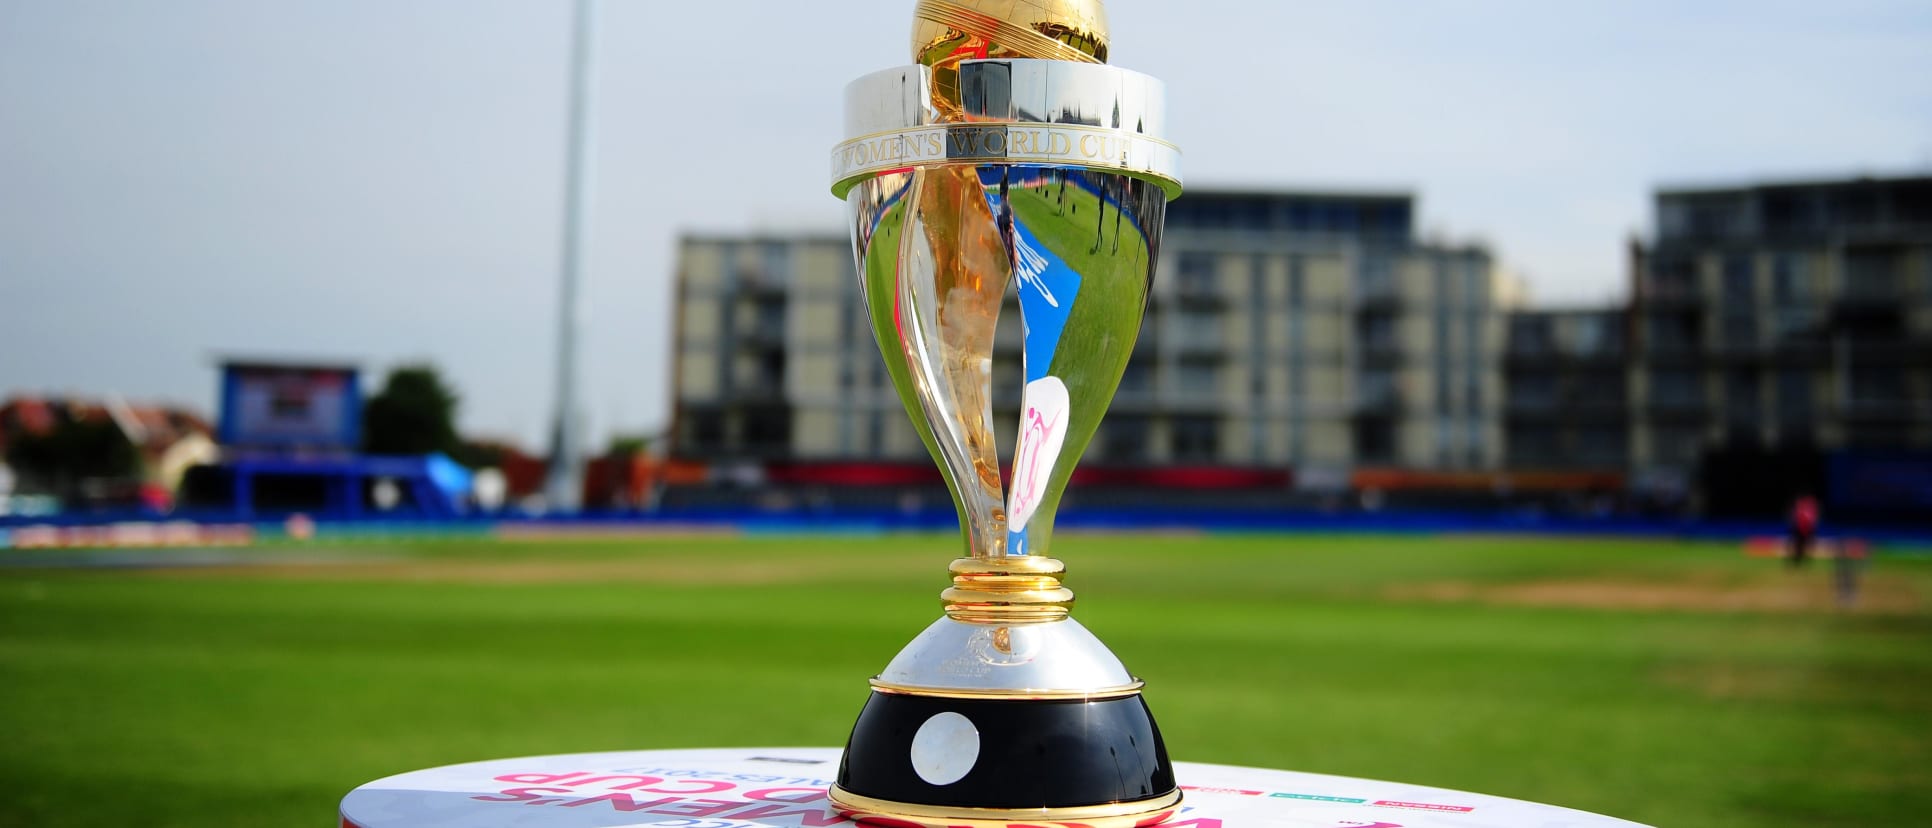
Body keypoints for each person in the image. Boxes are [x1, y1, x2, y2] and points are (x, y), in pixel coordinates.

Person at [1788, 494, 1819, 568]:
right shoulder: (1800, 510)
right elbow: (1796, 520)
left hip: (1805, 531)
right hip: (1799, 531)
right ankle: (1797, 560)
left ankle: (1803, 560)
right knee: (1798, 547)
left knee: (1805, 547)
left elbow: (1811, 521)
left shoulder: (1807, 510)